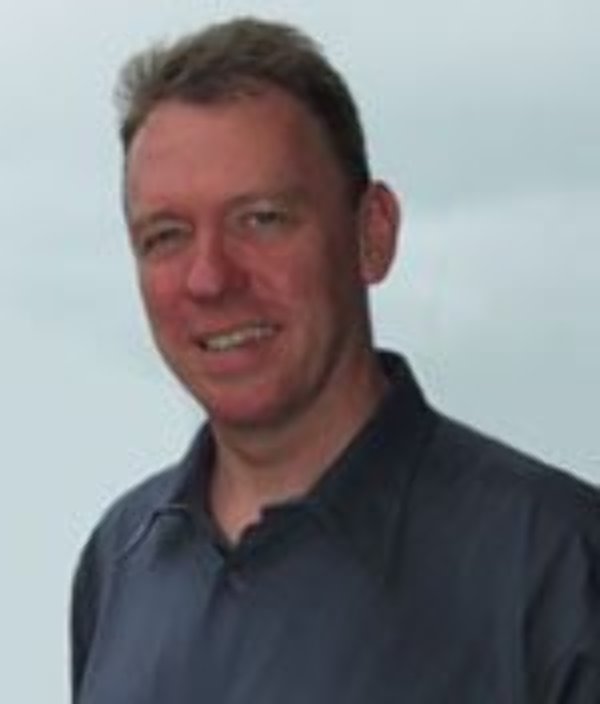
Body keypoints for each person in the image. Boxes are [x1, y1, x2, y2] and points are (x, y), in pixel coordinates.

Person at [70, 17, 599, 704]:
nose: (210, 278)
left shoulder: (557, 564)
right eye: (166, 235)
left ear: (372, 235)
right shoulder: (119, 565)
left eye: (261, 219)